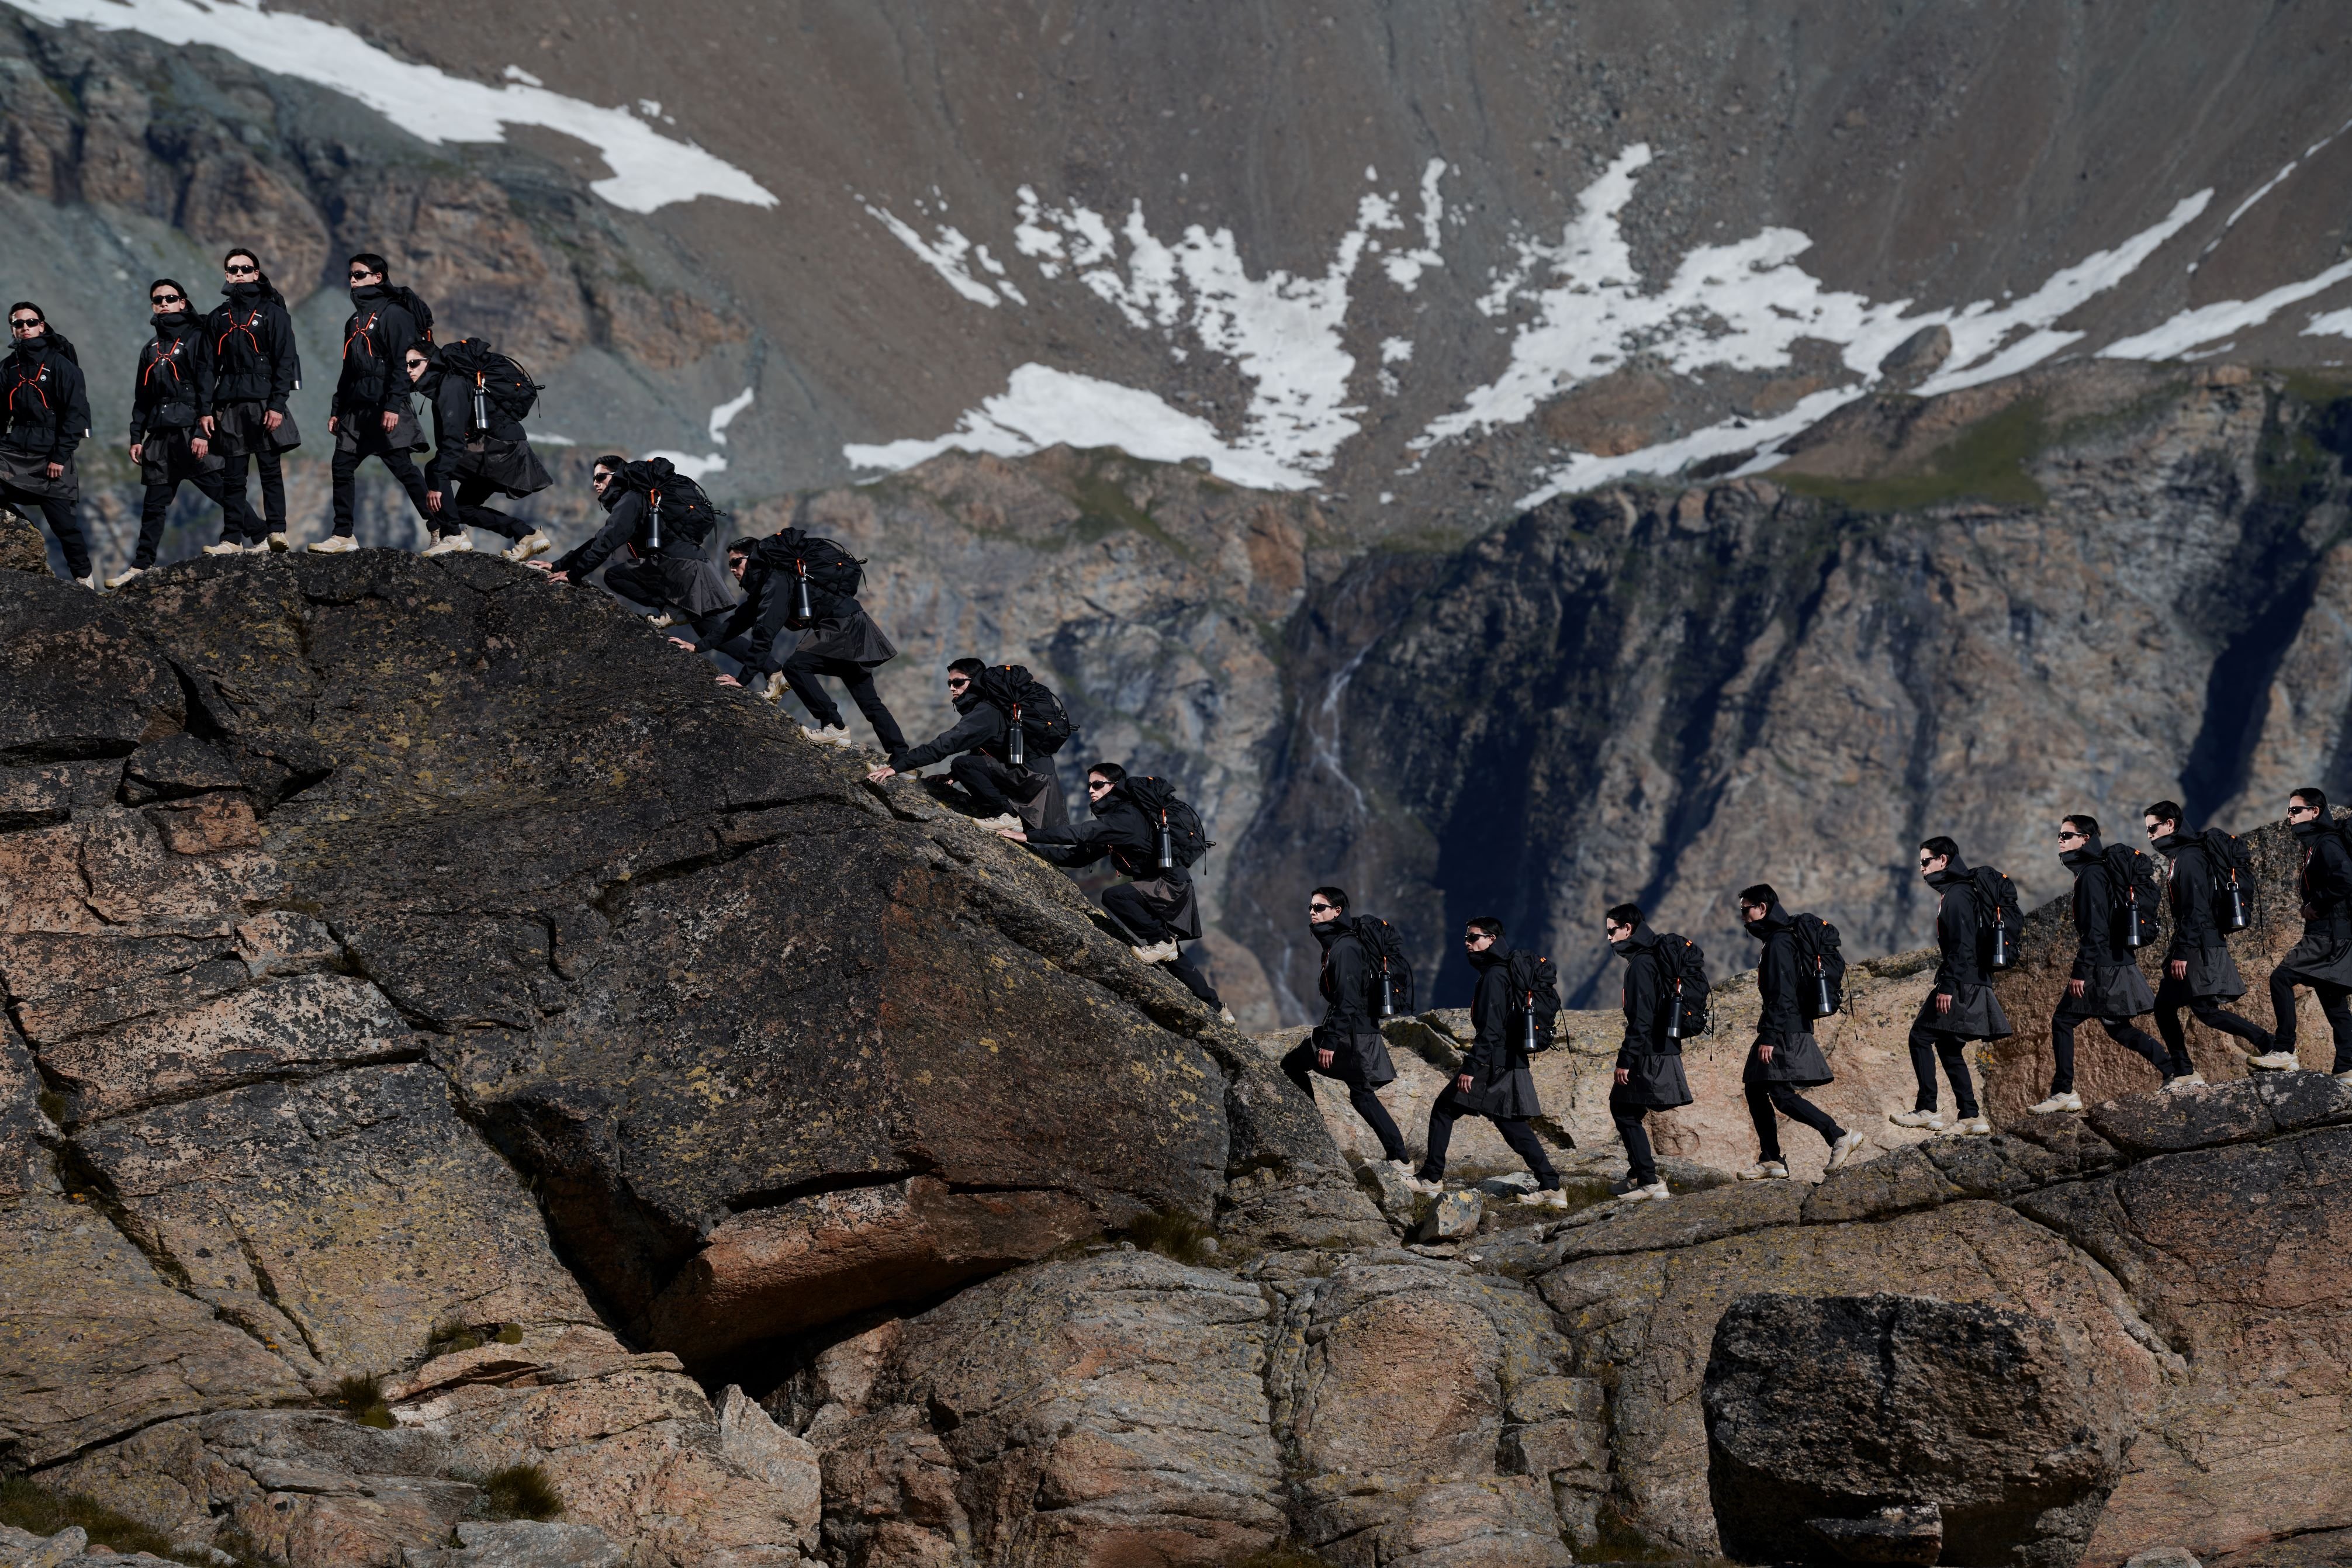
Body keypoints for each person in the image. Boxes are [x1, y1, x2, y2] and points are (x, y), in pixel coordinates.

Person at [1000, 762, 1230, 1019]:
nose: (1091, 790)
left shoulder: (1125, 818)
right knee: (1173, 957)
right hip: (1159, 885)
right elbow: (1079, 856)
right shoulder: (1116, 821)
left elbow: (1082, 832)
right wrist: (1033, 851)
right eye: (1089, 785)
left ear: (1114, 786)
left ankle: (1162, 942)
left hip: (1168, 885)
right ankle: (1217, 1008)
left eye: (1098, 785)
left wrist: (1028, 836)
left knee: (1116, 897)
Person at [110, 278, 260, 587]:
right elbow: (143, 396)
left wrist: (202, 433)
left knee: (219, 489)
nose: (163, 303)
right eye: (158, 299)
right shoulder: (149, 348)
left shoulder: (197, 337)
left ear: (183, 302)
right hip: (160, 437)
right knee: (154, 504)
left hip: (191, 430)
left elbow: (207, 386)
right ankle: (142, 565)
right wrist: (136, 437)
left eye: (170, 298)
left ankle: (260, 535)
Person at [1413, 916, 1568, 1206]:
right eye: (1466, 939)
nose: (1468, 944)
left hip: (1492, 1064)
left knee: (1444, 1109)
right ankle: (1552, 1187)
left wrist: (1472, 1068)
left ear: (1491, 939)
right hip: (1510, 1060)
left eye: (1473, 938)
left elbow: (1491, 1029)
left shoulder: (1495, 976)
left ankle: (1431, 1178)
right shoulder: (1504, 972)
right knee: (1513, 1126)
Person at [703, 535, 907, 752]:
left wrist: (743, 679)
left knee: (795, 667)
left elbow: (764, 634)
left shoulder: (777, 581)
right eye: (729, 564)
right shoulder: (770, 582)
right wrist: (698, 647)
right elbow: (737, 622)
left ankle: (833, 726)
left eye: (736, 562)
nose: (732, 569)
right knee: (869, 700)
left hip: (841, 626)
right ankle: (902, 760)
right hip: (856, 623)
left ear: (753, 559)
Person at [2030, 814, 2171, 1113]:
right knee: (2117, 1026)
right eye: (2060, 834)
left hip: (2102, 965)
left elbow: (2096, 929)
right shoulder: (2093, 872)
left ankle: (2064, 1092)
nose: (2061, 839)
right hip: (2115, 961)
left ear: (2085, 839)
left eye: (2067, 835)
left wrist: (2081, 972)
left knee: (2063, 1021)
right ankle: (2174, 1070)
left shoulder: (2092, 874)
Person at [1278, 887, 1412, 1176]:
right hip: (1355, 1031)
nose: (1312, 912)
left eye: (1319, 907)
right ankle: (1399, 1159)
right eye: (1311, 907)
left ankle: (1398, 1159)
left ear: (1337, 911)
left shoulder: (1346, 948)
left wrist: (1330, 1041)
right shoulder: (1338, 944)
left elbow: (1349, 1000)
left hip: (1353, 1034)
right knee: (1358, 1093)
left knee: (1303, 1069)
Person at [2146, 800, 2280, 1086]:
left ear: (2170, 824)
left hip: (2200, 946)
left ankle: (2270, 1044)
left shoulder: (2190, 857)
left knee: (2205, 1010)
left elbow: (2197, 910)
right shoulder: (2181, 856)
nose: (2150, 835)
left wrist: (2182, 953)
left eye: (2153, 828)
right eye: (2147, 830)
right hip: (2194, 944)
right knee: (2164, 1007)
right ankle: (2184, 1071)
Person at [1738, 884, 1865, 1179]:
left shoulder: (1780, 942)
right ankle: (1771, 1159)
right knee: (1756, 1087)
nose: (1743, 916)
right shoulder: (1777, 939)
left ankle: (1837, 1136)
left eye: (1747, 909)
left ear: (1762, 908)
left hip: (1784, 1028)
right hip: (1787, 1025)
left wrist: (1770, 1035)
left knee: (1780, 1094)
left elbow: (1782, 992)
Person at [1887, 837, 2007, 1136]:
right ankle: (1971, 1116)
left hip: (1962, 983)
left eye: (1926, 861)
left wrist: (1948, 986)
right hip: (1972, 980)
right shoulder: (1961, 891)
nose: (1922, 868)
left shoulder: (1958, 894)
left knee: (1920, 1036)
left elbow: (1963, 945)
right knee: (1949, 1045)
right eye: (1920, 863)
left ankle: (1927, 1109)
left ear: (1943, 860)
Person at [865, 659, 1069, 832]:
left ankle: (1006, 814)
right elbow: (987, 748)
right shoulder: (992, 706)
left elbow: (946, 744)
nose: (953, 688)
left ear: (975, 682)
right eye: (950, 683)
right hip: (1037, 777)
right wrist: (954, 776)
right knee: (962, 766)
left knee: (964, 763)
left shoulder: (987, 712)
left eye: (958, 682)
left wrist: (897, 767)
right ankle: (1006, 812)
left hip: (1031, 780)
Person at [537, 457, 731, 631]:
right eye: (594, 478)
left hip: (679, 567)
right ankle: (760, 666)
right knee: (714, 634)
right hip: (697, 566)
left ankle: (670, 607)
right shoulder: (643, 498)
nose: (595, 483)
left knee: (614, 576)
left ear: (617, 475)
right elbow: (599, 540)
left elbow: (605, 542)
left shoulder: (631, 499)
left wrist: (573, 576)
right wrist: (558, 565)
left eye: (601, 477)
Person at [319, 252, 431, 553]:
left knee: (404, 469)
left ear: (378, 277)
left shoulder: (395, 315)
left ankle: (443, 531)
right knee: (341, 467)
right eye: (351, 276)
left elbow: (402, 364)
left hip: (384, 406)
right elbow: (348, 369)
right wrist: (336, 410)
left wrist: (394, 405)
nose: (353, 280)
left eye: (360, 275)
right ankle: (343, 535)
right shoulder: (353, 321)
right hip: (355, 410)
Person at [408, 341, 554, 560]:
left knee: (436, 469)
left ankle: (453, 537)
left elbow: (454, 440)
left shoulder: (451, 386)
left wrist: (439, 481)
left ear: (431, 362)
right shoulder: (445, 385)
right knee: (462, 509)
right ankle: (527, 534)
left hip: (499, 449)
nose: (408, 370)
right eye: (406, 366)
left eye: (413, 363)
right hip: (506, 446)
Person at [200, 247, 299, 553]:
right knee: (234, 474)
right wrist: (205, 409)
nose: (239, 273)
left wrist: (277, 405)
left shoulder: (274, 314)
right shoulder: (218, 317)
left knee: (270, 469)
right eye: (233, 269)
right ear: (226, 275)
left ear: (257, 273)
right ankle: (231, 539)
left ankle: (277, 531)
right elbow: (206, 367)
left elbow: (286, 361)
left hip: (264, 401)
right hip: (228, 403)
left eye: (246, 268)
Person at [0, 301, 94, 586]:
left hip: (52, 454)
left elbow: (76, 416)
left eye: (31, 322)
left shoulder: (61, 365)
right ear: (13, 329)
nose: (25, 328)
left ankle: (85, 579)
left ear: (42, 325)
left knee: (64, 526)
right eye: (19, 324)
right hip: (16, 449)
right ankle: (22, 531)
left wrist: (60, 457)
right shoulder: (7, 368)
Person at [1604, 903, 1693, 1200]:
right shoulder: (1652, 958)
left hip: (1649, 1052)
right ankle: (1637, 1175)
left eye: (1612, 931)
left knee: (1623, 1111)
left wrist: (1625, 1060)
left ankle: (1649, 1182)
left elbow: (1642, 1018)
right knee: (1627, 1109)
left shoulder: (1642, 964)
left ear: (1627, 929)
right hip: (1661, 1048)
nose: (1609, 938)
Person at [2265, 788, 2352, 1082]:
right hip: (2332, 933)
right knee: (2333, 998)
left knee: (2281, 978)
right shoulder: (2316, 844)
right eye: (2288, 811)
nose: (2289, 816)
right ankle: (2347, 1068)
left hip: (2328, 935)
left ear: (2315, 812)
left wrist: (2317, 904)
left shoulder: (2326, 843)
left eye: (2295, 810)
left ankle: (2284, 1050)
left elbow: (2345, 878)